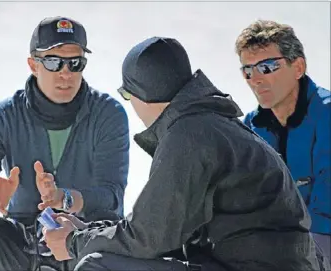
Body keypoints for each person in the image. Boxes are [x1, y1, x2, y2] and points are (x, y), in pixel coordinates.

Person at [42, 36, 323, 271]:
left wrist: (73, 242)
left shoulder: (189, 135)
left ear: (140, 95)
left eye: (126, 95)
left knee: (99, 266)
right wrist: (86, 231)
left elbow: (147, 238)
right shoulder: (214, 125)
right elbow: (164, 231)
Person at [0, 16, 130, 271]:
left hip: (83, 244)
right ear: (33, 64)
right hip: (23, 247)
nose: (66, 73)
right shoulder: (5, 117)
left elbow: (111, 197)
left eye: (75, 63)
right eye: (53, 62)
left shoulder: (108, 115)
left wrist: (65, 199)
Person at [236, 20, 331, 263]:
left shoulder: (327, 114)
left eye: (267, 67)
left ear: (298, 67)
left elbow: (326, 212)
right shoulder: (250, 128)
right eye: (247, 70)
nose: (255, 78)